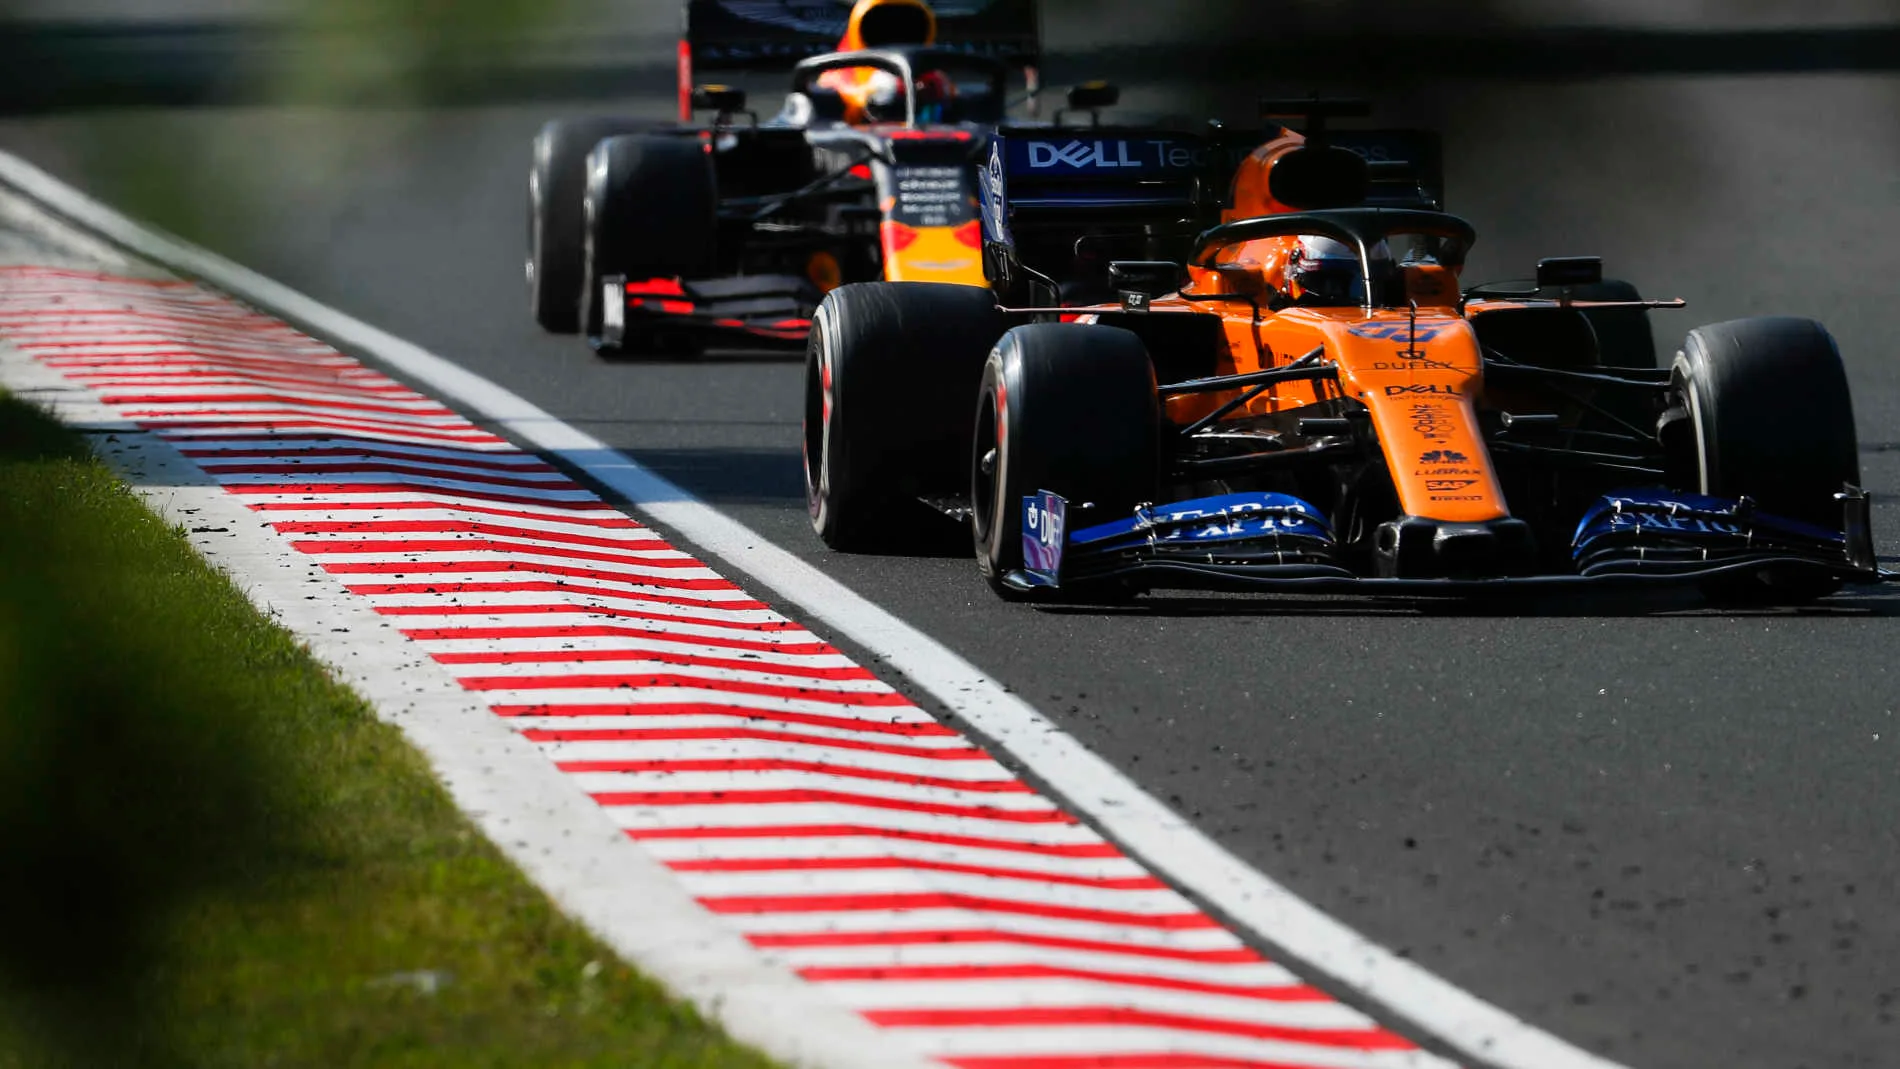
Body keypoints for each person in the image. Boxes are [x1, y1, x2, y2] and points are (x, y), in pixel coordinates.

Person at [817, 0, 943, 124]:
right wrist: (867, 94)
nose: (895, 29)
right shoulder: (836, 76)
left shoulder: (933, 79)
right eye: (885, 24)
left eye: (904, 25)